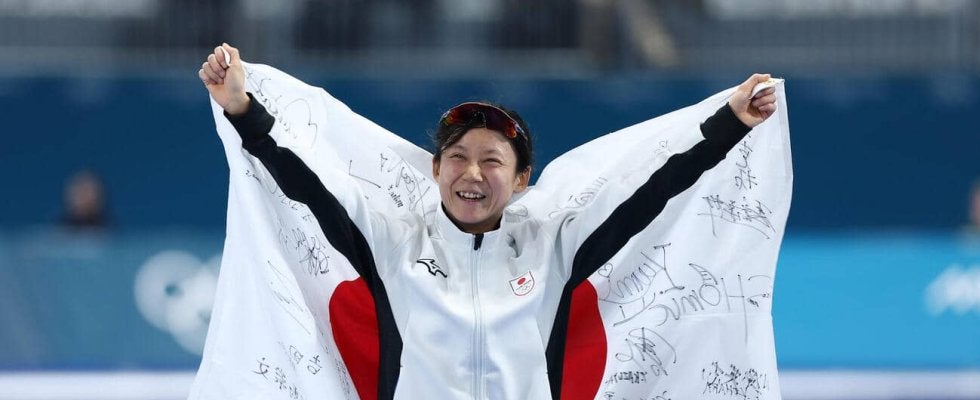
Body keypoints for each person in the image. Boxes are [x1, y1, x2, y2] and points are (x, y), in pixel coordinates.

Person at [198, 43, 777, 400]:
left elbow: (651, 189)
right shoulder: (393, 243)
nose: (471, 173)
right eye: (457, 157)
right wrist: (243, 109)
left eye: (492, 161)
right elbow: (309, 182)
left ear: (522, 179)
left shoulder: (554, 247)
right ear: (436, 169)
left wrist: (730, 124)